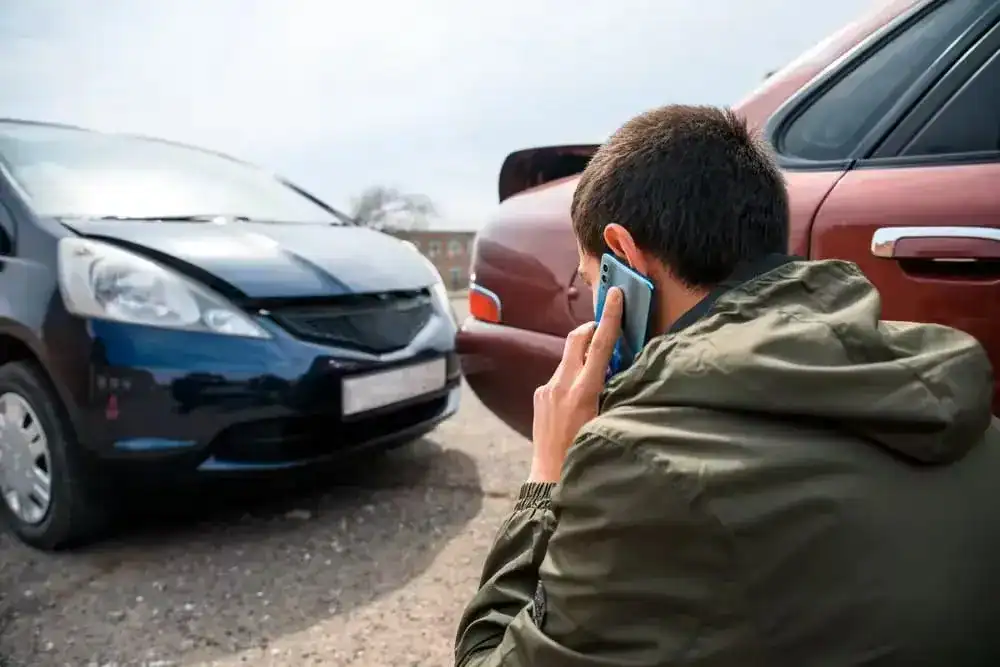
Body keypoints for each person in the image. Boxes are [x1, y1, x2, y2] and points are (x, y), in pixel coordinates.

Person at [454, 104, 1000, 666]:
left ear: (624, 254)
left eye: (593, 281)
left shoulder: (639, 460)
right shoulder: (960, 403)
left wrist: (547, 477)